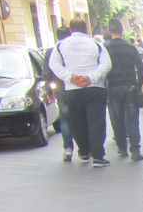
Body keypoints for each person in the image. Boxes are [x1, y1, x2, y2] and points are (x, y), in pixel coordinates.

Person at [48, 18, 111, 168]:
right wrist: (91, 78)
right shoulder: (96, 44)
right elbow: (107, 64)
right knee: (96, 122)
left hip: (73, 90)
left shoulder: (61, 45)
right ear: (86, 29)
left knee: (77, 122)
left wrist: (70, 77)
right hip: (95, 88)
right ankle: (98, 156)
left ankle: (83, 152)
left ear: (71, 30)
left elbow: (53, 64)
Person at [104, 17, 143, 161]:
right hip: (130, 88)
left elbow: (102, 71)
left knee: (118, 120)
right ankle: (135, 150)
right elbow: (141, 69)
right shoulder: (130, 48)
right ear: (122, 31)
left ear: (110, 31)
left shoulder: (106, 50)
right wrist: (137, 85)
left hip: (113, 88)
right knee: (133, 120)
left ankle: (122, 148)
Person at [44, 26, 75, 161]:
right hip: (76, 86)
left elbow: (47, 73)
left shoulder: (51, 52)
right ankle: (86, 149)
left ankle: (68, 148)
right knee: (81, 117)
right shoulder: (75, 50)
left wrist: (49, 91)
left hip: (60, 88)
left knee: (65, 118)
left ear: (57, 36)